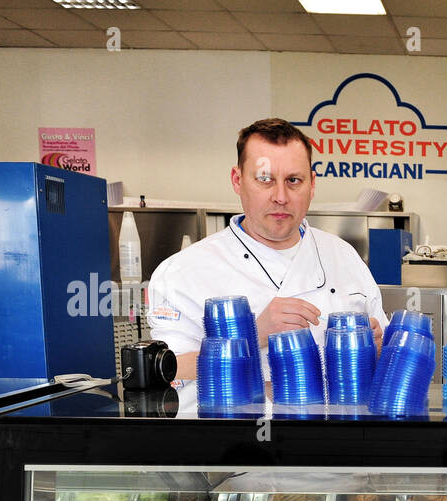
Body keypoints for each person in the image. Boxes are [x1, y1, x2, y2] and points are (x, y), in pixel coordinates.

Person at [147, 118, 386, 380]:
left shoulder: (343, 256)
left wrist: (374, 351)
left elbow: (386, 356)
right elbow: (168, 372)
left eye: (294, 180)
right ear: (237, 180)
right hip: (233, 422)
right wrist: (252, 334)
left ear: (312, 184)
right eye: (265, 179)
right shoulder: (182, 272)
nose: (281, 197)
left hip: (334, 420)